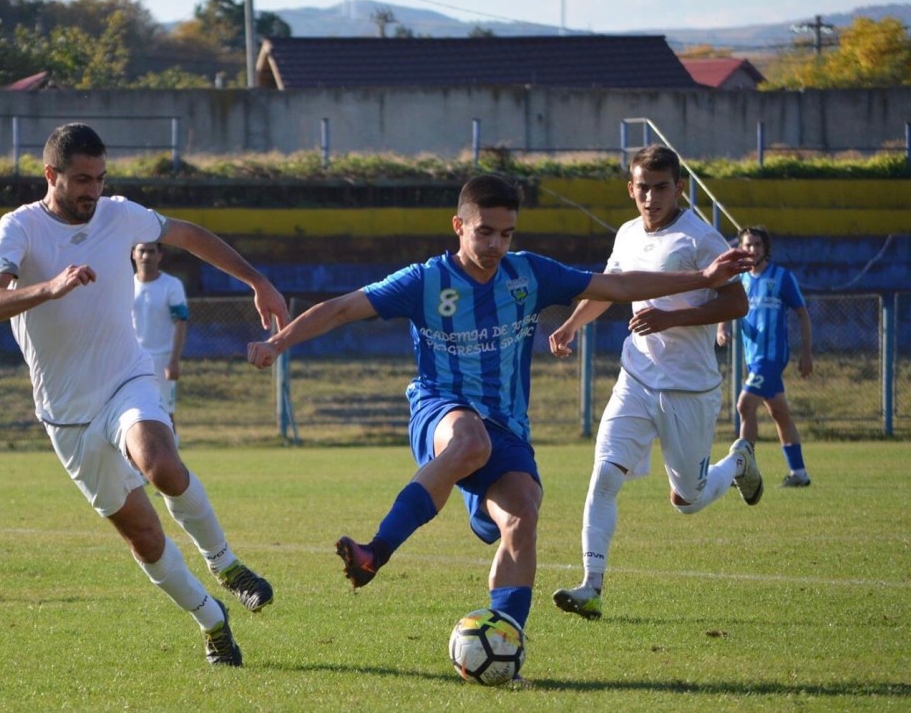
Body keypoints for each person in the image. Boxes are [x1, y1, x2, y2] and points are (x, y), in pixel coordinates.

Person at [246, 173, 751, 637]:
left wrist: (704, 279)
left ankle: (504, 640)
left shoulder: (529, 274)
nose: (495, 245)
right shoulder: (425, 281)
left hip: (506, 427)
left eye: (506, 234)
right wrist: (277, 343)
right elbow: (341, 309)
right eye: (485, 232)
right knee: (470, 441)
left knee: (522, 515)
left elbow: (616, 286)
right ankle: (376, 551)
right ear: (459, 226)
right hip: (441, 408)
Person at [0, 123, 290, 666]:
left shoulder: (118, 213)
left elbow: (188, 234)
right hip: (67, 416)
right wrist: (50, 287)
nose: (93, 190)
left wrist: (257, 280)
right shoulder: (19, 227)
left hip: (126, 380)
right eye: (81, 179)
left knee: (162, 464)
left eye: (100, 178)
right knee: (143, 536)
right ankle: (212, 621)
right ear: (51, 175)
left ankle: (226, 564)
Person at [548, 144, 761, 622]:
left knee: (687, 500)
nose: (651, 197)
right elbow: (610, 288)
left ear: (678, 188)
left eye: (661, 187)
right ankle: (591, 586)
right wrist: (572, 324)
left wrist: (670, 320)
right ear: (631, 189)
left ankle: (738, 460)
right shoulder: (626, 234)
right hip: (636, 377)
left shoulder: (700, 238)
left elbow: (737, 304)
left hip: (689, 388)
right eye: (643, 188)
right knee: (604, 475)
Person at [717, 226, 813, 487]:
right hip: (754, 359)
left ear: (765, 248)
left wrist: (806, 353)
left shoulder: (782, 277)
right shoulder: (740, 280)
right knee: (780, 413)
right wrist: (722, 328)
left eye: (757, 245)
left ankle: (742, 469)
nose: (752, 250)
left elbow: (802, 313)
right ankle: (799, 474)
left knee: (744, 405)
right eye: (747, 245)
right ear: (740, 248)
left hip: (771, 358)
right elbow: (728, 305)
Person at [132, 242, 188, 440]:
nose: (146, 256)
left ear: (160, 255)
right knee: (132, 411)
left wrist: (173, 361)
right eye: (142, 251)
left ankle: (173, 454)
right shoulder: (125, 284)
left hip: (162, 359)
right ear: (133, 254)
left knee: (165, 412)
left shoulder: (171, 285)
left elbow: (180, 322)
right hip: (132, 360)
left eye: (151, 251)